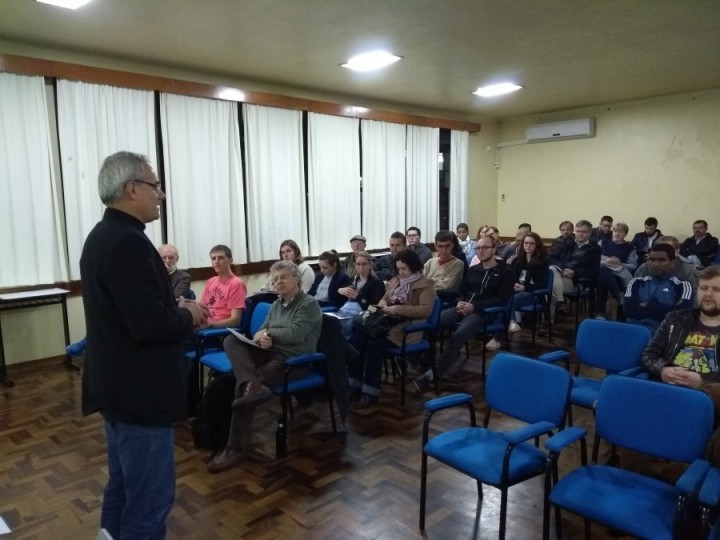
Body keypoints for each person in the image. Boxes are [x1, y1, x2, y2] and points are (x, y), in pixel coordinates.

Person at [80, 151, 208, 538]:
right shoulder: (128, 243)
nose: (161, 195)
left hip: (117, 386)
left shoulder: (103, 236)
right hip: (140, 391)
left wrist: (170, 306)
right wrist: (191, 314)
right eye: (155, 186)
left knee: (123, 484)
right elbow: (149, 324)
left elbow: (129, 312)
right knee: (150, 500)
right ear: (132, 188)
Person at [208, 260, 322, 473]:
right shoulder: (278, 304)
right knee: (231, 341)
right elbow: (260, 330)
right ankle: (252, 383)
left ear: (296, 279)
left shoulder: (308, 304)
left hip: (292, 362)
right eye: (275, 278)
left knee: (241, 388)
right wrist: (261, 336)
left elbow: (296, 334)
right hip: (270, 354)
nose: (278, 282)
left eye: (283, 277)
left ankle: (235, 448)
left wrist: (269, 335)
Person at [414, 235, 515, 392]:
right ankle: (426, 359)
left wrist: (474, 307)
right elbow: (461, 291)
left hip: (484, 313)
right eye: (478, 248)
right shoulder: (473, 270)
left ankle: (431, 375)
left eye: (485, 248)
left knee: (458, 336)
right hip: (462, 308)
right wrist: (459, 301)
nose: (480, 251)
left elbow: (502, 300)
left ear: (494, 249)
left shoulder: (506, 272)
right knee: (430, 323)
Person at [66, 241, 192, 357]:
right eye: (163, 258)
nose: (167, 261)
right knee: (117, 315)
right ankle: (88, 342)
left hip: (167, 313)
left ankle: (86, 343)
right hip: (149, 310)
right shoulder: (152, 274)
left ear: (177, 259)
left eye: (171, 258)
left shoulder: (183, 276)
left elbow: (176, 297)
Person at [348, 249, 435, 407]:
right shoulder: (396, 280)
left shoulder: (426, 284)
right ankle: (354, 385)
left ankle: (370, 391)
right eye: (399, 269)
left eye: (404, 269)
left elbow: (425, 310)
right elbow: (384, 299)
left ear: (414, 267)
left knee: (374, 345)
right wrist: (381, 304)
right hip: (387, 320)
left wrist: (398, 309)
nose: (400, 272)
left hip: (407, 327)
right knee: (357, 340)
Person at [640, 265, 720, 418]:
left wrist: (703, 383)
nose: (708, 294)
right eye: (704, 288)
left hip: (708, 402)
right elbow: (648, 355)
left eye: (717, 290)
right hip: (668, 390)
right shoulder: (675, 318)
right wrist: (663, 369)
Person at [623, 243, 694, 332]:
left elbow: (681, 314)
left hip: (664, 333)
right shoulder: (636, 282)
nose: (655, 264)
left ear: (672, 262)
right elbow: (628, 311)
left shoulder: (683, 285)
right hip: (634, 329)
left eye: (661, 260)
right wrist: (666, 310)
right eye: (651, 260)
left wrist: (648, 305)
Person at [548, 220, 601, 316]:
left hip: (578, 280)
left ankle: (548, 323)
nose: (580, 234)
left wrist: (575, 272)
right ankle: (559, 302)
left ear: (589, 233)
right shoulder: (566, 243)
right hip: (561, 274)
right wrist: (562, 269)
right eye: (578, 231)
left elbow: (594, 271)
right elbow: (552, 259)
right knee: (551, 271)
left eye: (584, 232)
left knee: (549, 288)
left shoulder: (595, 248)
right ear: (575, 231)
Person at [335, 251, 386, 337]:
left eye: (364, 264)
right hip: (343, 312)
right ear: (354, 265)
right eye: (358, 264)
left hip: (359, 317)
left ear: (370, 265)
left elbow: (374, 309)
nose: (361, 267)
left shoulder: (376, 283)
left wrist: (358, 297)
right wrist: (339, 291)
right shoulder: (356, 281)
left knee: (334, 330)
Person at [508, 232, 549, 333]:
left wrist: (525, 287)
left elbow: (542, 284)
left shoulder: (542, 262)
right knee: (504, 296)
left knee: (511, 298)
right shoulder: (517, 260)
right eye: (526, 243)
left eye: (531, 243)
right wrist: (515, 284)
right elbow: (511, 278)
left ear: (537, 245)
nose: (528, 246)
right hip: (517, 291)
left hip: (534, 295)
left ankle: (511, 321)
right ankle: (508, 323)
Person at [595, 222, 637, 320]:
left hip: (619, 274)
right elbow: (593, 257)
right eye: (615, 231)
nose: (617, 234)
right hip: (603, 269)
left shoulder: (630, 248)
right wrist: (607, 261)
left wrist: (619, 263)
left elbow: (633, 265)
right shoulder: (603, 242)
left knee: (602, 280)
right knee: (603, 273)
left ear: (625, 234)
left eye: (620, 232)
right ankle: (619, 297)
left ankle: (600, 313)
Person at [200, 244, 247, 328]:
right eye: (213, 258)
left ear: (230, 260)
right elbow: (201, 308)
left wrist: (209, 325)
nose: (216, 261)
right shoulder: (211, 281)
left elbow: (235, 320)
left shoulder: (236, 284)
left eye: (221, 258)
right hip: (205, 324)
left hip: (219, 330)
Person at [635, 235, 699, 292]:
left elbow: (695, 297)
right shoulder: (644, 268)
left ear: (677, 251)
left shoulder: (688, 271)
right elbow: (635, 292)